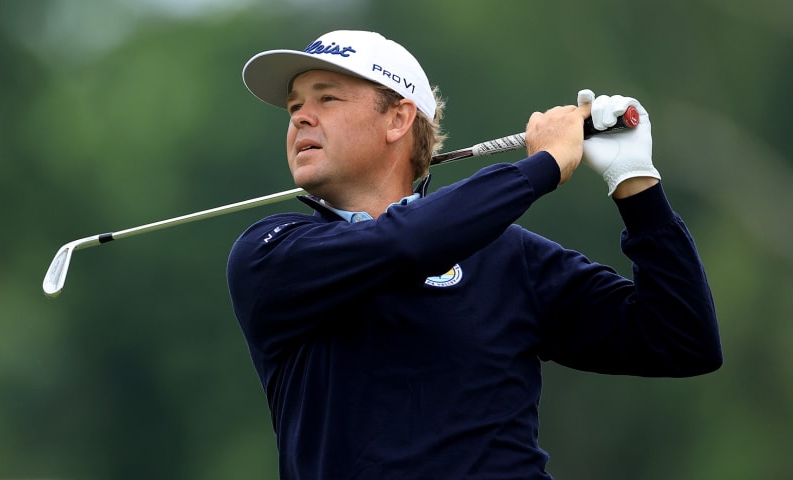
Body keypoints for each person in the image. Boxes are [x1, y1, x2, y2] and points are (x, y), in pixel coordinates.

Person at [227, 30, 722, 479]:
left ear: (398, 119)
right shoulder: (273, 255)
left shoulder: (506, 254)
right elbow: (403, 244)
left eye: (326, 99)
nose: (300, 118)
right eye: (294, 108)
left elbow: (681, 338)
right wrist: (544, 165)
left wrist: (636, 186)